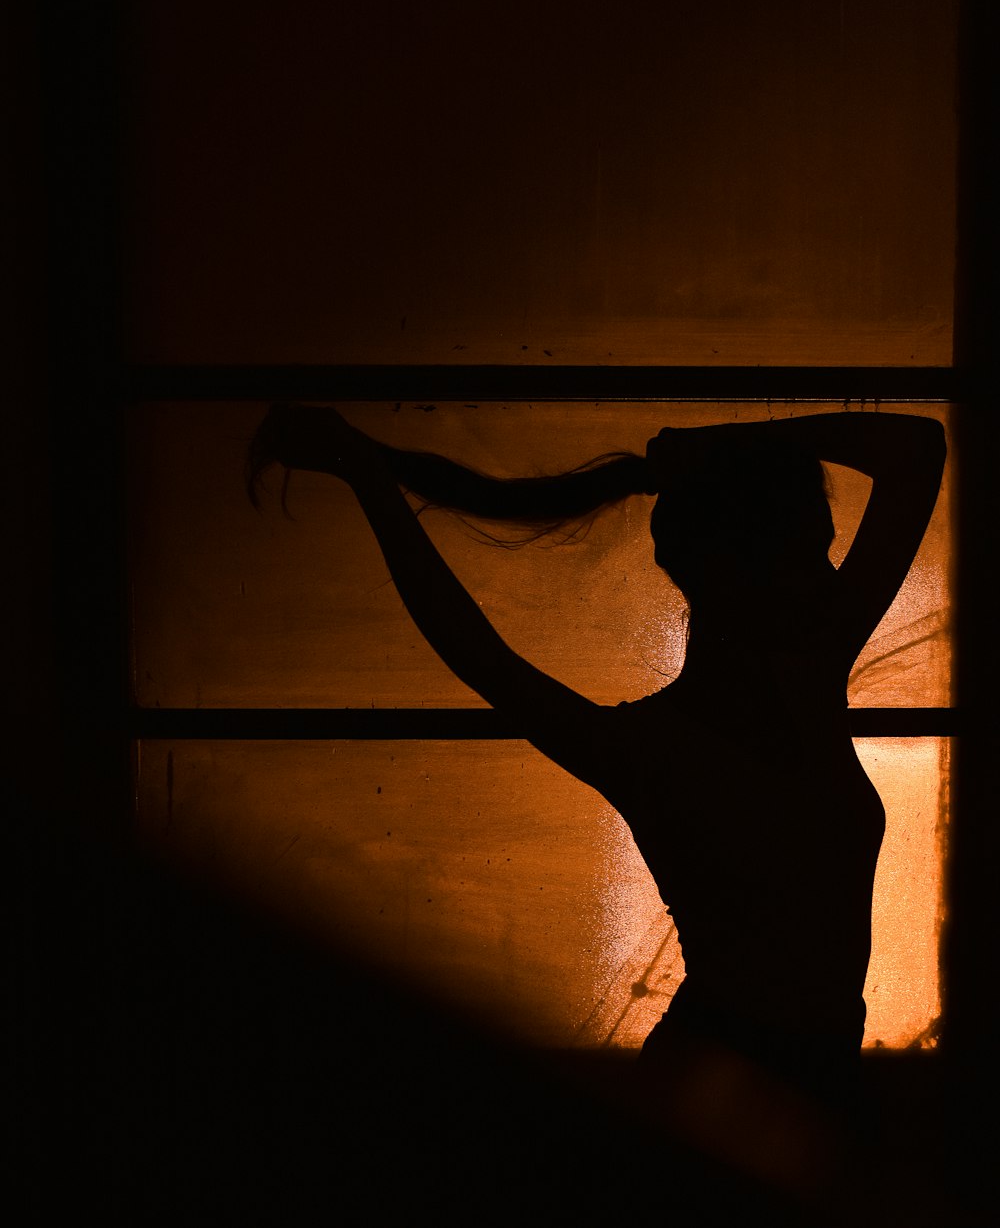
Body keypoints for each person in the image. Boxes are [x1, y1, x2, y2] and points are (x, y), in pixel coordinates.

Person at [247, 403, 945, 1202]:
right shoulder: (658, 746)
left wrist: (721, 444)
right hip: (720, 1095)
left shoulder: (807, 680)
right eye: (802, 556)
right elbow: (477, 653)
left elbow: (918, 447)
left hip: (815, 1090)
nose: (827, 576)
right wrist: (370, 478)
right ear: (728, 570)